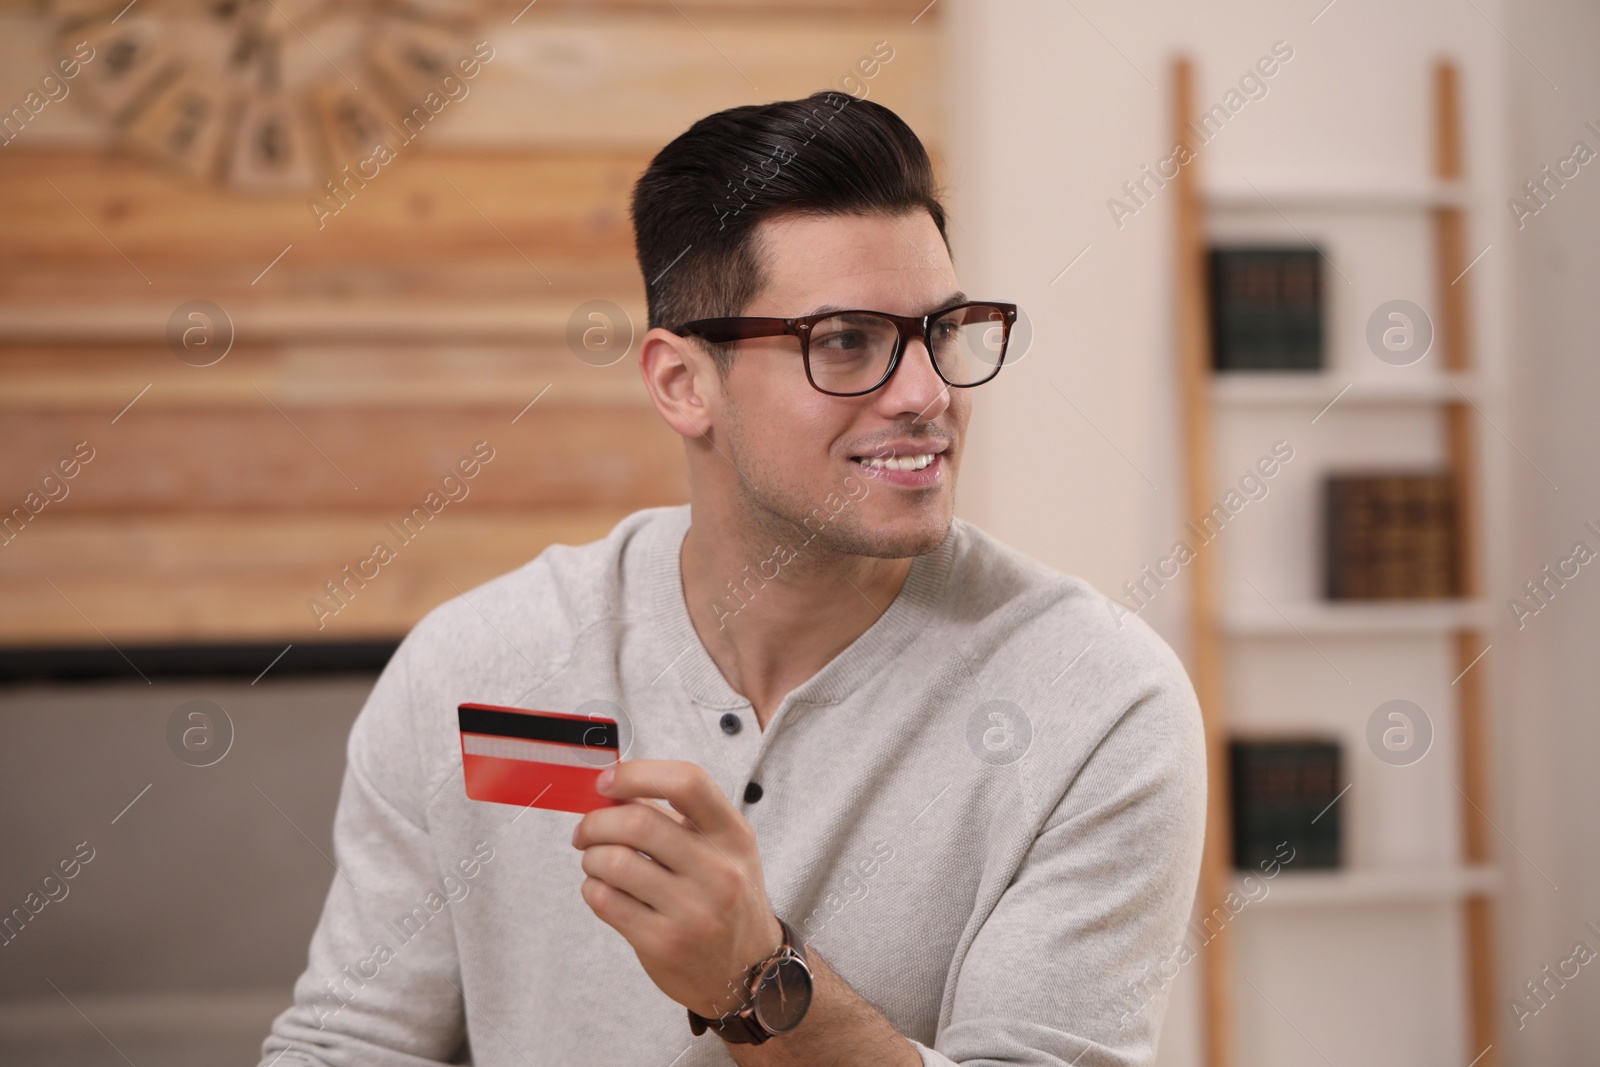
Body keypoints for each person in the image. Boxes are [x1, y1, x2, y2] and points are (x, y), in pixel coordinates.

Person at [259, 89, 1205, 1067]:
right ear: (682, 384)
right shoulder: (477, 669)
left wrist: (755, 977)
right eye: (846, 341)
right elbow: (349, 1043)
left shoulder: (1096, 704)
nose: (927, 393)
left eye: (943, 331)